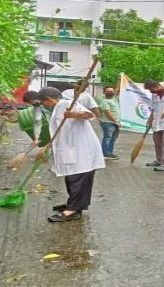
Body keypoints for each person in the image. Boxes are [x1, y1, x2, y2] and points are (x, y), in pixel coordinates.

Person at [36, 87, 105, 222]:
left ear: (49, 99)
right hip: (71, 149)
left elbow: (89, 115)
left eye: (44, 102)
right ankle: (73, 205)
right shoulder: (58, 108)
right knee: (72, 179)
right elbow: (59, 131)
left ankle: (72, 211)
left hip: (82, 151)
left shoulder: (67, 104)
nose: (44, 105)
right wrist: (47, 146)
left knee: (78, 180)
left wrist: (73, 114)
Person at [99, 85, 121, 160]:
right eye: (108, 91)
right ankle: (106, 153)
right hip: (108, 122)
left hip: (115, 123)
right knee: (107, 138)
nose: (110, 93)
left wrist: (120, 78)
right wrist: (116, 121)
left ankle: (110, 153)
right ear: (104, 92)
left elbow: (117, 89)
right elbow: (108, 113)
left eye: (111, 91)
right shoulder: (104, 101)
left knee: (113, 139)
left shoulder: (114, 99)